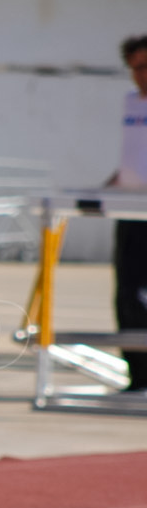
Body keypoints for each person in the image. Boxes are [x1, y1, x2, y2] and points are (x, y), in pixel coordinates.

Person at [109, 34, 147, 391]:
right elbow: (133, 157)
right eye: (134, 68)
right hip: (130, 210)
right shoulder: (131, 104)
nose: (140, 75)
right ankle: (137, 375)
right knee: (125, 293)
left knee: (142, 293)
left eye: (146, 66)